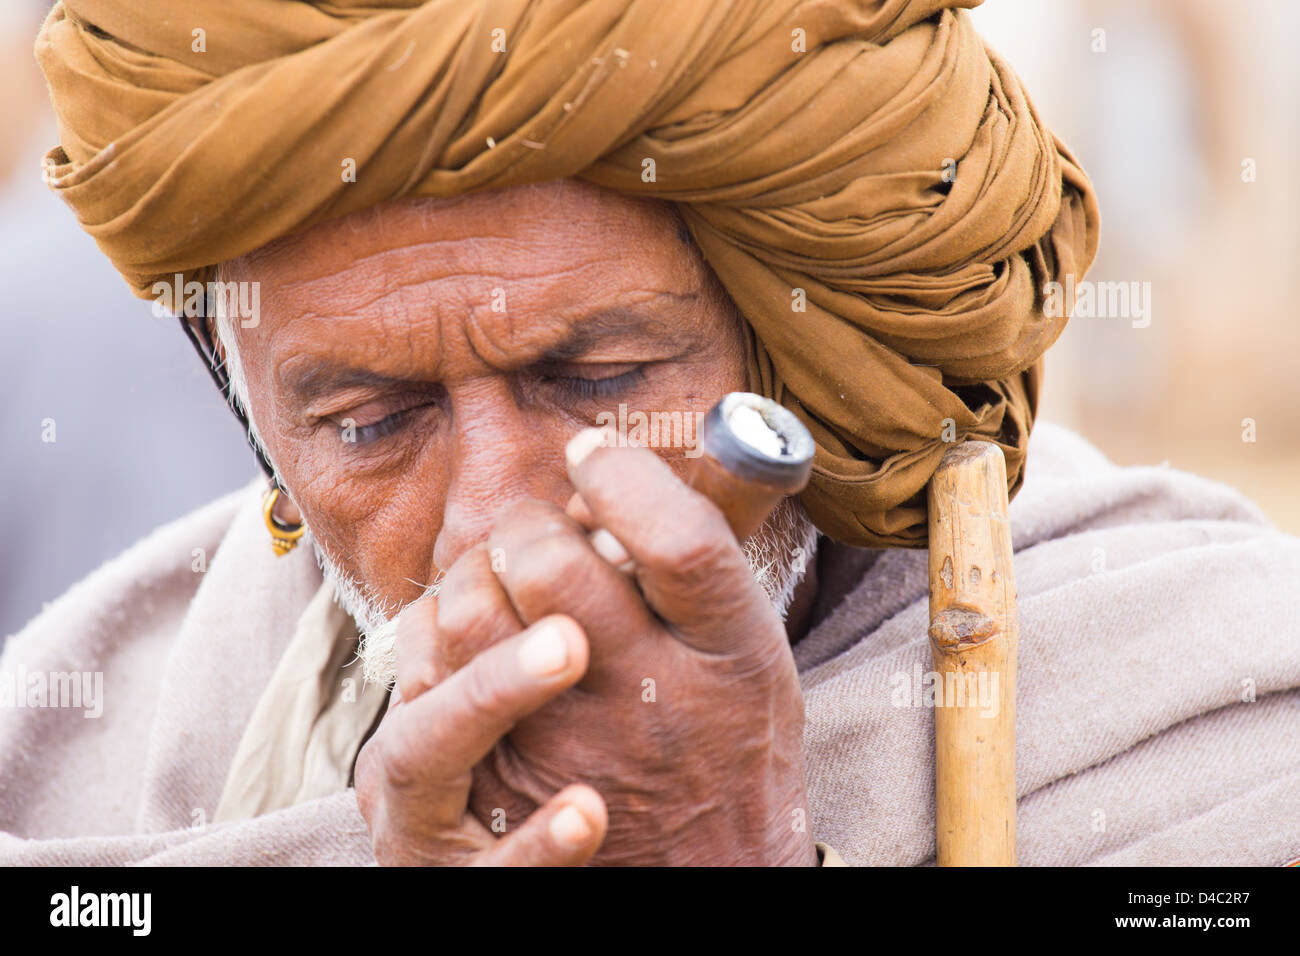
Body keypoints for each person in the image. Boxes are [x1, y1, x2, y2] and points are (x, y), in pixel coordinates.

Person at [3, 0, 1297, 866]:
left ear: (793, 355)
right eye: (370, 423)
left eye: (599, 378)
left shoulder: (1207, 722)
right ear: (255, 413)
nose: (497, 521)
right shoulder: (76, 747)